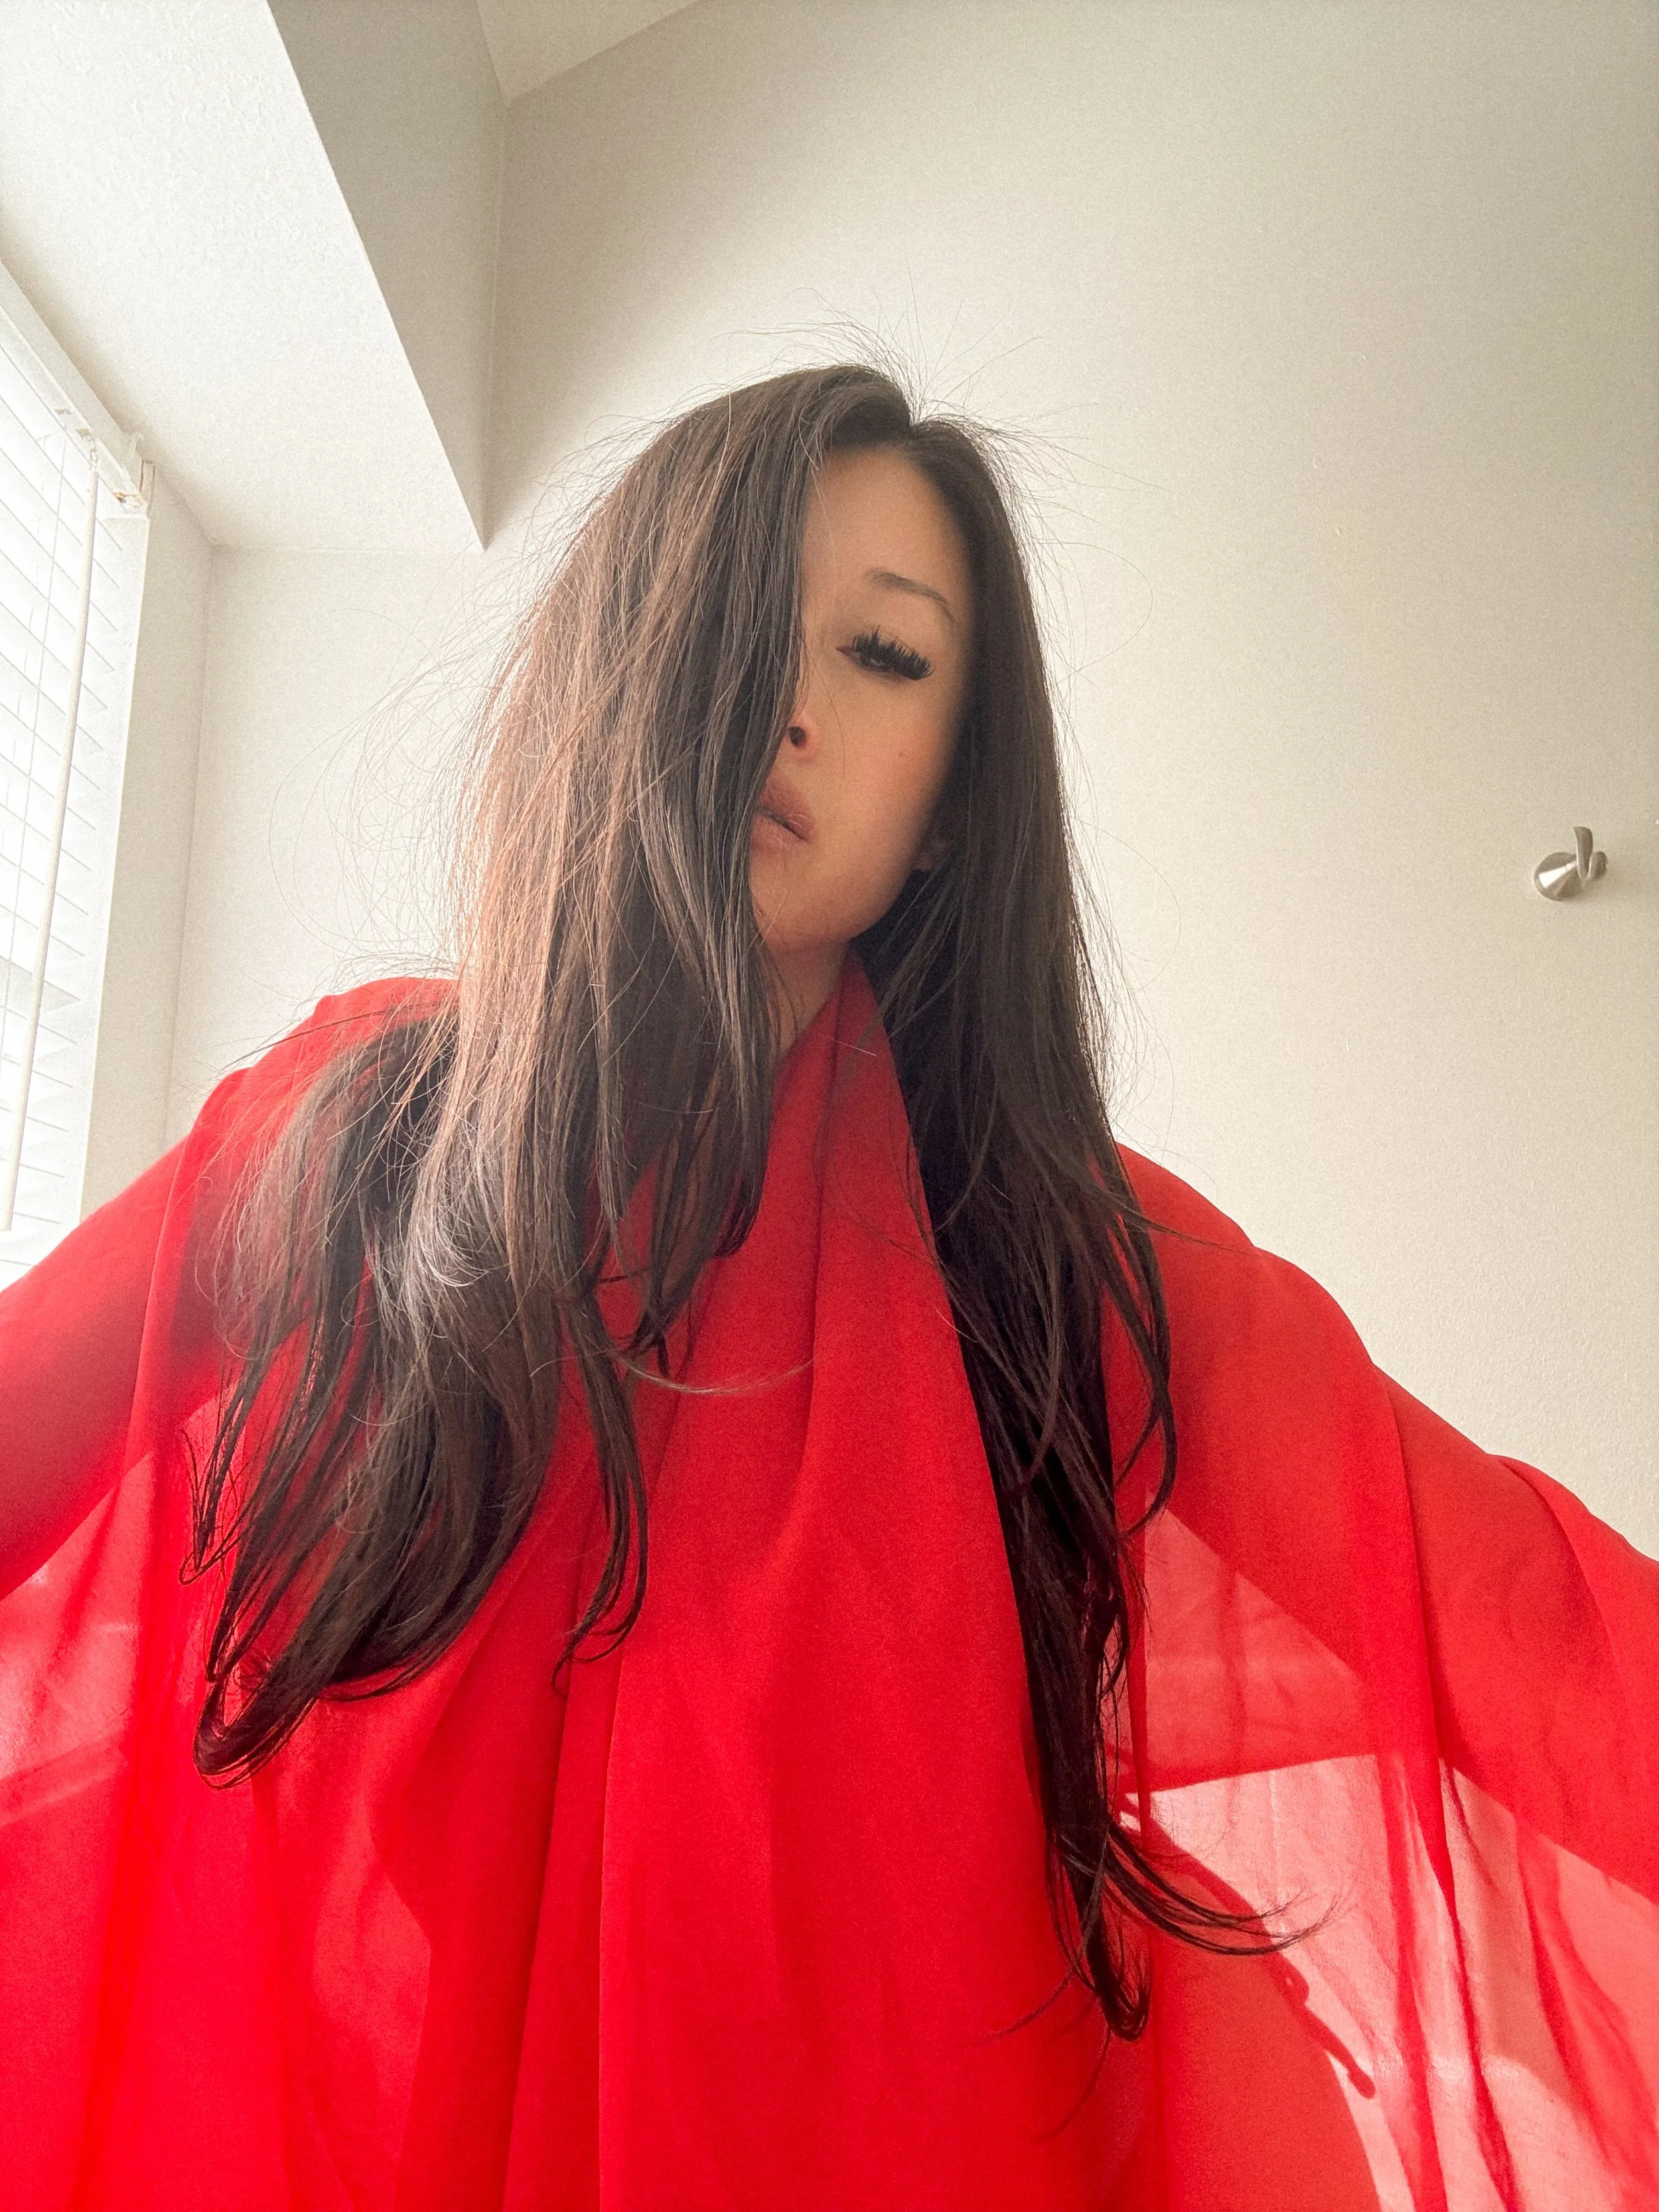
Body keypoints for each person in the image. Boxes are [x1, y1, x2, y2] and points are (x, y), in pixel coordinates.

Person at [0, 362, 1654, 2211]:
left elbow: (1530, 1636)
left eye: (882, 655)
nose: (783, 706)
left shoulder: (1042, 1250)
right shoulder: (363, 1135)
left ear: (947, 807)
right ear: (621, 667)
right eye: (734, 618)